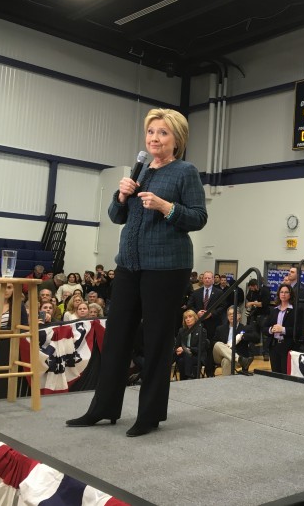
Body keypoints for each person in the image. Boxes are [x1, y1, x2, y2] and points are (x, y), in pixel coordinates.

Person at [67, 108, 207, 437]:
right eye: (151, 132)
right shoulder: (140, 170)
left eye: (162, 133)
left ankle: (150, 415)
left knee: (157, 340)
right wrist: (121, 194)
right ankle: (103, 408)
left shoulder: (185, 172)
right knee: (116, 337)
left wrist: (165, 207)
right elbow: (117, 216)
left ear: (177, 139)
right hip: (128, 264)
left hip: (167, 267)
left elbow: (198, 217)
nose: (154, 138)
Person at [213, 307, 257, 376]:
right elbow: (214, 342)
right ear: (227, 317)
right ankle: (240, 359)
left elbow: (256, 338)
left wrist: (242, 336)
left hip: (233, 358)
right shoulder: (220, 328)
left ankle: (227, 385)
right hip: (220, 356)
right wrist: (224, 346)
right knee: (217, 344)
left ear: (239, 316)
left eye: (234, 313)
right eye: (229, 314)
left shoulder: (245, 328)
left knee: (226, 360)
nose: (231, 315)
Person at [187, 271, 226, 342]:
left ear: (213, 280)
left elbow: (222, 307)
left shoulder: (219, 292)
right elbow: (190, 305)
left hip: (213, 323)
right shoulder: (196, 292)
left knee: (211, 344)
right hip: (198, 323)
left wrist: (211, 313)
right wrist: (197, 312)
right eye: (205, 278)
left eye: (209, 278)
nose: (207, 279)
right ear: (202, 279)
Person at [174, 309, 210, 380]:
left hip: (197, 356)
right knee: (181, 359)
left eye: (190, 317)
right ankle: (187, 378)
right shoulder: (182, 331)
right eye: (186, 318)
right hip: (183, 356)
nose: (188, 319)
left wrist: (186, 349)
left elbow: (200, 349)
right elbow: (177, 345)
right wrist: (177, 349)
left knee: (184, 358)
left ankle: (188, 377)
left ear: (195, 318)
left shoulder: (201, 330)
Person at [266, 283, 295, 374]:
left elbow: (297, 330)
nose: (283, 294)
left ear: (290, 295)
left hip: (287, 346)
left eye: (286, 292)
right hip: (274, 346)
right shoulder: (274, 310)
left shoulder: (295, 310)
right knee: (275, 373)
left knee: (285, 373)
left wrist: (282, 329)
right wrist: (271, 329)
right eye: (281, 292)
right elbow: (264, 327)